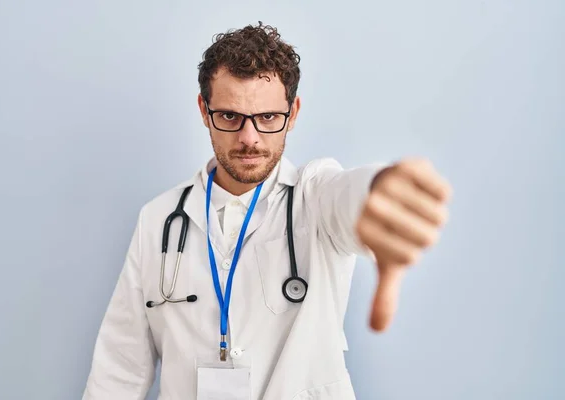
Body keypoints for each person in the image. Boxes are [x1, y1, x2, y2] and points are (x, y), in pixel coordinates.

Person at [82, 22, 451, 400]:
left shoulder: (315, 198)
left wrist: (378, 192)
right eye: (229, 116)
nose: (249, 138)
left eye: (268, 118)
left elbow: (348, 197)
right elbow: (119, 368)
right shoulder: (158, 218)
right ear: (204, 110)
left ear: (292, 114)